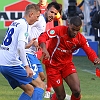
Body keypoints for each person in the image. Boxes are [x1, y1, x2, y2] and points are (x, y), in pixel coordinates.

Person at [38, 16, 100, 100]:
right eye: (73, 29)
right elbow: (43, 36)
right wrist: (44, 49)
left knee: (77, 91)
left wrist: (95, 58)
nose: (75, 32)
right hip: (52, 65)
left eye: (77, 30)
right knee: (61, 96)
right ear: (69, 25)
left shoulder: (80, 38)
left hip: (67, 65)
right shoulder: (59, 30)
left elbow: (88, 50)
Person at [0, 3, 42, 100]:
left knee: (30, 90)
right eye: (37, 16)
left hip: (2, 64)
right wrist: (27, 67)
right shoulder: (24, 25)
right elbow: (20, 47)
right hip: (11, 64)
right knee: (40, 85)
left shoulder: (15, 22)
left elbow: (14, 46)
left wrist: (27, 45)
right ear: (31, 14)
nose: (37, 19)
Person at [25, 1, 61, 99]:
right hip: (27, 54)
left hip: (32, 54)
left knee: (35, 84)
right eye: (51, 12)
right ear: (46, 10)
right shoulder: (40, 19)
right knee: (39, 85)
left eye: (55, 13)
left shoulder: (44, 21)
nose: (52, 15)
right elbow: (25, 27)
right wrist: (33, 41)